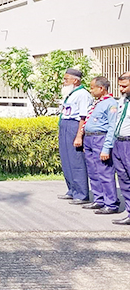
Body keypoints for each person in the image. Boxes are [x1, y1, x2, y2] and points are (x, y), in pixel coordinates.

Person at [79, 76, 120, 214]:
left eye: (92, 88)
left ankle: (111, 203)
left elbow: (112, 127)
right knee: (93, 171)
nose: (91, 91)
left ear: (101, 88)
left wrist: (106, 148)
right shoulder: (97, 103)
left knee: (105, 172)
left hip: (100, 138)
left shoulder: (111, 104)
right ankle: (99, 199)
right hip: (90, 139)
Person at [55, 68, 92, 203]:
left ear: (75, 80)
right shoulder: (71, 93)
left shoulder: (83, 94)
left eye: (66, 79)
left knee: (76, 161)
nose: (64, 82)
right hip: (65, 124)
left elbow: (83, 116)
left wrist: (78, 136)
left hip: (74, 126)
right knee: (66, 160)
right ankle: (72, 190)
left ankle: (81, 194)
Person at [108, 72, 130, 225]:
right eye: (120, 86)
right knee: (124, 179)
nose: (121, 89)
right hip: (119, 143)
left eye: (124, 86)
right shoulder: (122, 99)